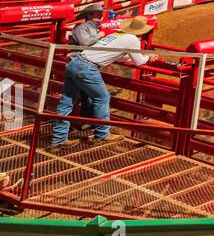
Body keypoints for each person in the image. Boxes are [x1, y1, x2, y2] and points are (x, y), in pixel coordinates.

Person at [50, 17, 154, 150]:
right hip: (87, 67)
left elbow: (120, 56)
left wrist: (138, 57)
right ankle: (102, 134)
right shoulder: (133, 40)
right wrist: (149, 57)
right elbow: (139, 62)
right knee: (102, 97)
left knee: (66, 102)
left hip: (75, 62)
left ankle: (58, 139)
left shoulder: (116, 35)